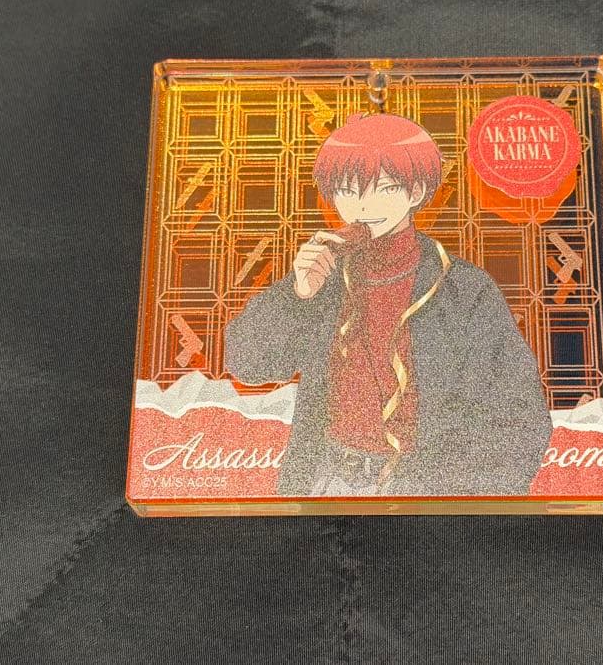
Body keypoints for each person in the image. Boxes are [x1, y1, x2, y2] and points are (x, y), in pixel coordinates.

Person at [224, 112, 551, 496]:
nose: (363, 207)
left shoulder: (464, 290)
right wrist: (295, 297)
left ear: (416, 191)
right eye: (347, 190)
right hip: (325, 481)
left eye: (384, 188)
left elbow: (520, 416)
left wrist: (454, 499)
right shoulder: (323, 278)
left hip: (429, 491)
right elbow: (246, 364)